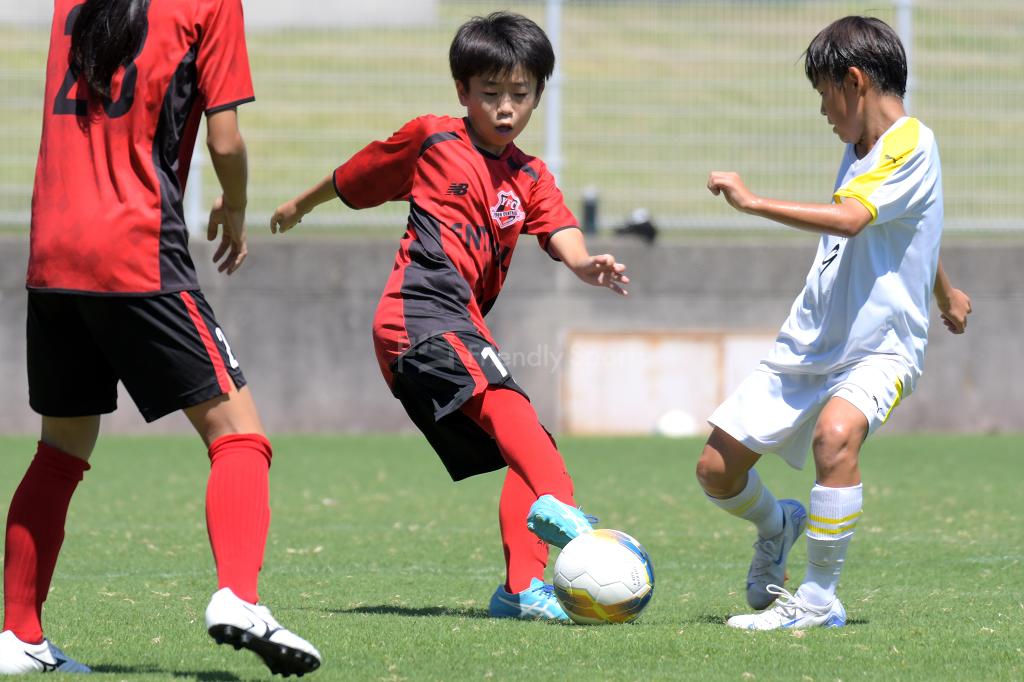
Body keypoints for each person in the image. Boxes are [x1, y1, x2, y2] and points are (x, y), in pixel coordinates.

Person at [271, 11, 627, 621]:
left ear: (539, 94)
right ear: (463, 92)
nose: (505, 107)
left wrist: (584, 263)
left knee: (529, 445)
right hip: (418, 314)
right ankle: (569, 519)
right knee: (525, 433)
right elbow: (357, 173)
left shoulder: (531, 176)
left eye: (520, 94)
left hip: (456, 324)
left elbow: (560, 229)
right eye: (490, 94)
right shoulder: (433, 139)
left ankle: (521, 591)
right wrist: (299, 205)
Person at [0, 0, 321, 675]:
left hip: (52, 251)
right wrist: (234, 206)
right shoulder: (209, 4)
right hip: (134, 248)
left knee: (59, 451)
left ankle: (18, 635)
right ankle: (239, 595)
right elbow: (226, 141)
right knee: (240, 436)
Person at [700, 16, 973, 630]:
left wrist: (752, 201)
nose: (823, 110)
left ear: (853, 81)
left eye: (824, 93)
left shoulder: (911, 141)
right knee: (716, 472)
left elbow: (852, 221)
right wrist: (948, 291)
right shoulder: (861, 151)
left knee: (836, 436)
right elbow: (907, 230)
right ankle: (780, 525)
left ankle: (818, 599)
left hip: (881, 348)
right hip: (810, 339)